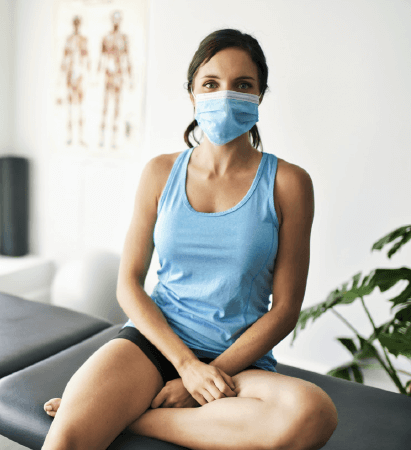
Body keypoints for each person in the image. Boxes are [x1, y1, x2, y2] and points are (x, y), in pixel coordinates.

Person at [42, 28, 338, 450]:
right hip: (154, 344)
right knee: (65, 441)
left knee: (313, 414)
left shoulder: (289, 183)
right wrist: (184, 366)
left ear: (260, 96)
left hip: (237, 364)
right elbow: (128, 283)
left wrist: (204, 375)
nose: (226, 95)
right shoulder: (160, 173)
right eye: (211, 84)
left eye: (243, 85)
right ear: (192, 94)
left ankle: (135, 418)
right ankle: (127, 407)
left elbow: (286, 309)